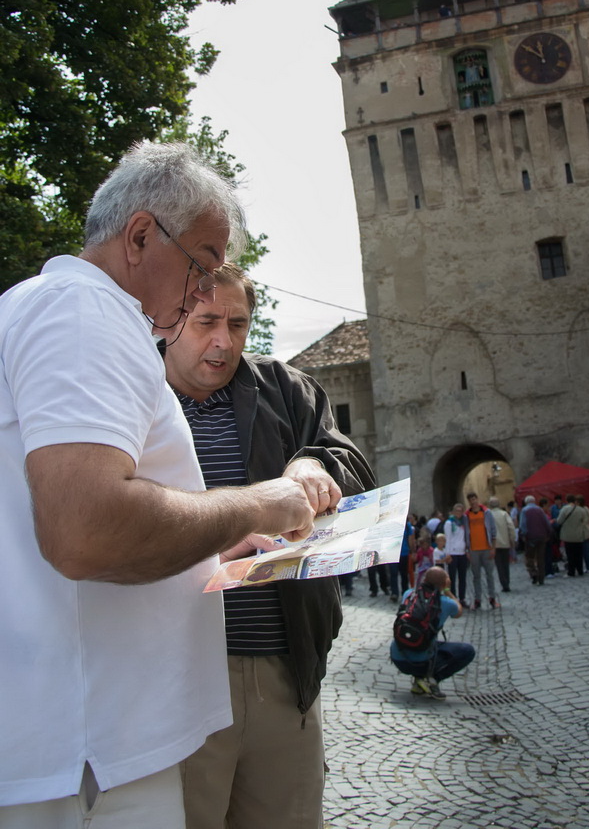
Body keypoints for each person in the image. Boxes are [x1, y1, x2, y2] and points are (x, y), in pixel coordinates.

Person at [0, 143, 323, 827]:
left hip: (82, 749)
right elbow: (84, 530)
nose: (206, 290)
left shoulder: (61, 309)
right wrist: (255, 505)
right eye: (201, 266)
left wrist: (199, 559)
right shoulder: (84, 312)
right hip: (87, 757)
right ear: (141, 235)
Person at [163, 262, 375, 829]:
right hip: (174, 677)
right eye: (207, 321)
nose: (223, 340)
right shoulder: (136, 395)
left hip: (284, 672)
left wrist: (314, 464)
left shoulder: (285, 388)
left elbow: (352, 466)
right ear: (171, 317)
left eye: (237, 323)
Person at [390, 567, 475, 700]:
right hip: (421, 661)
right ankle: (431, 680)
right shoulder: (446, 603)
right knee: (467, 651)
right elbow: (459, 611)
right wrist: (447, 591)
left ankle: (419, 682)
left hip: (398, 656)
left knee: (431, 642)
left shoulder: (409, 594)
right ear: (444, 583)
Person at [464, 492, 500, 608]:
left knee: (489, 574)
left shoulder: (486, 512)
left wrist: (493, 548)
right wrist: (467, 550)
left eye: (474, 499)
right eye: (470, 500)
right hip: (474, 549)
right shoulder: (467, 515)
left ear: (477, 499)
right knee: (476, 576)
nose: (473, 501)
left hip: (486, 547)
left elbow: (493, 531)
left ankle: (492, 598)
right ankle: (477, 599)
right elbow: (466, 533)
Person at [519, 494, 552, 585]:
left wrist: (524, 535)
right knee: (540, 558)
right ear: (534, 501)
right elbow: (546, 522)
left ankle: (533, 573)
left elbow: (523, 525)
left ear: (526, 502)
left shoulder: (524, 511)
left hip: (530, 538)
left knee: (530, 557)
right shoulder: (540, 510)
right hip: (541, 537)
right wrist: (548, 533)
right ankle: (541, 578)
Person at [556, 494, 589, 577]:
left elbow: (559, 521)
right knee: (579, 553)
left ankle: (571, 571)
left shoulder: (564, 509)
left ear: (567, 500)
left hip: (567, 535)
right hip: (578, 534)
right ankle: (580, 570)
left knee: (570, 554)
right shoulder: (581, 510)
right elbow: (585, 521)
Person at [488, 496, 515, 593]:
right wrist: (512, 540)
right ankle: (506, 582)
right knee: (505, 564)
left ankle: (504, 583)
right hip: (505, 542)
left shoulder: (488, 515)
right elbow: (511, 527)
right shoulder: (504, 514)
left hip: (494, 544)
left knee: (499, 565)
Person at [444, 502, 469, 606]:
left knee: (462, 577)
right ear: (454, 512)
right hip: (453, 553)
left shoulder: (464, 522)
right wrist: (448, 553)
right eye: (457, 511)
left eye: (461, 510)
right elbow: (448, 539)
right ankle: (453, 598)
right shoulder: (449, 523)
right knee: (452, 577)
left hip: (462, 552)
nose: (459, 513)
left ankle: (462, 598)